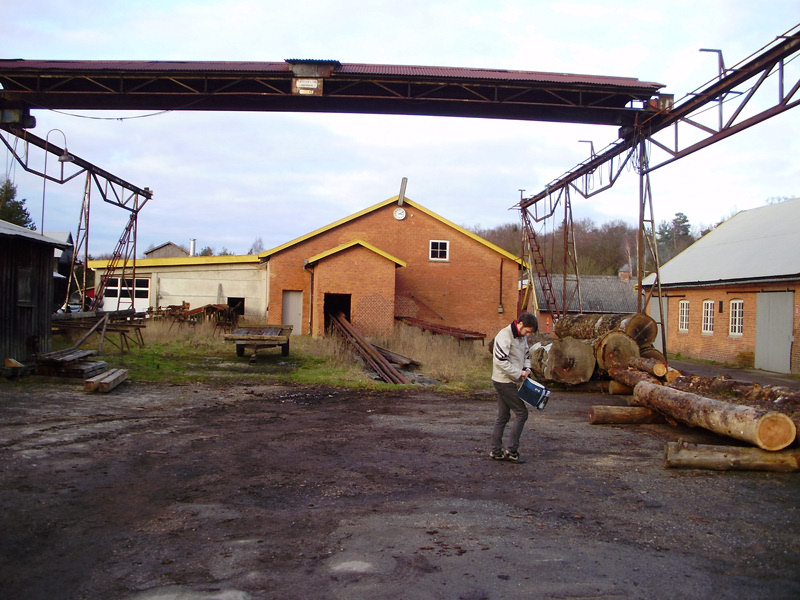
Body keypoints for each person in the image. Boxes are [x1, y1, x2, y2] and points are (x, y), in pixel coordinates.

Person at [490, 312, 538, 462]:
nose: (528, 335)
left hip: (511, 380)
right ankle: (511, 451)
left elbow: (526, 354)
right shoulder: (504, 336)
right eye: (528, 331)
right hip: (503, 381)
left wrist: (527, 368)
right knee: (522, 413)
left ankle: (496, 451)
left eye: (530, 332)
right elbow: (500, 361)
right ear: (520, 324)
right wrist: (519, 373)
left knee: (503, 416)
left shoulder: (522, 337)